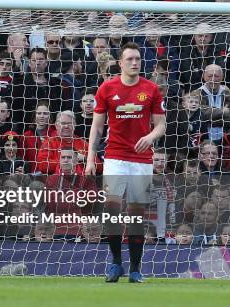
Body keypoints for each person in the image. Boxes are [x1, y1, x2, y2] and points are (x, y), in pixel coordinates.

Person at [85, 42, 166, 283]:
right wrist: (90, 158)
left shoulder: (151, 89)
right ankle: (116, 264)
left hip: (141, 159)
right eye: (129, 59)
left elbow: (161, 124)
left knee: (136, 215)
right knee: (111, 210)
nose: (134, 62)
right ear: (120, 63)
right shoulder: (107, 88)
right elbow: (97, 127)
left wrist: (149, 137)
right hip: (114, 157)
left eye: (138, 59)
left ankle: (135, 269)